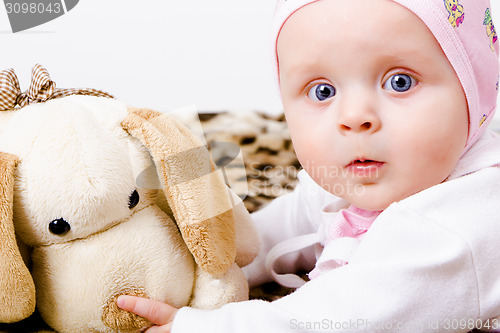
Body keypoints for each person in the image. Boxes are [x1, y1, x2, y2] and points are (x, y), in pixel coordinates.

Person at [117, 0, 500, 331]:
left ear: (475, 92)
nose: (354, 117)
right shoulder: (357, 172)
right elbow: (282, 224)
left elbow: (346, 318)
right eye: (323, 91)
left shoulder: (457, 227)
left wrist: (213, 326)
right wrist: (207, 268)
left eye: (399, 82)